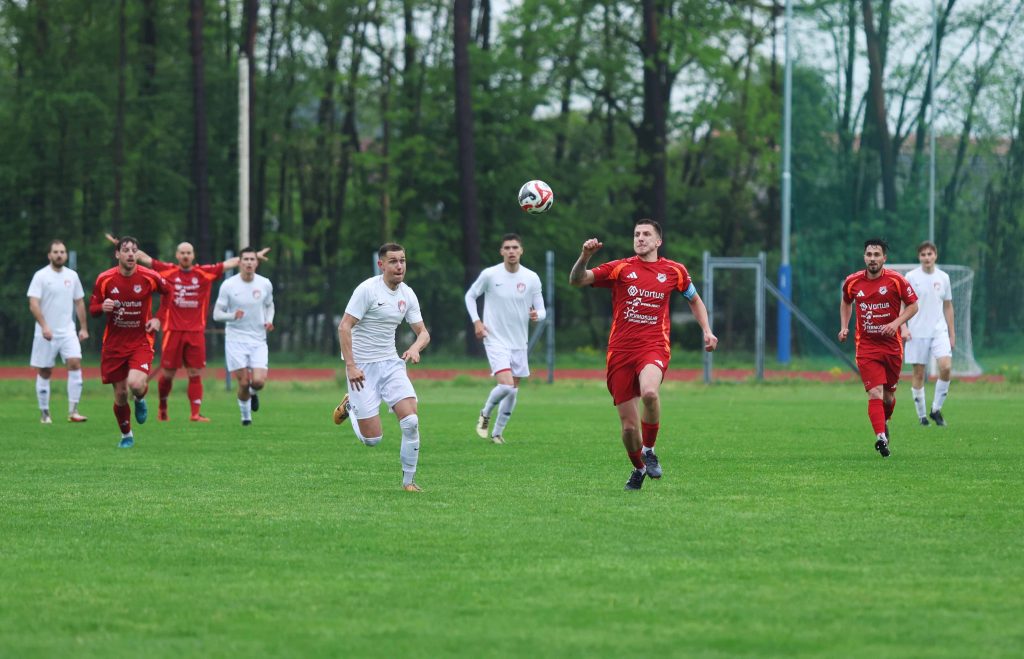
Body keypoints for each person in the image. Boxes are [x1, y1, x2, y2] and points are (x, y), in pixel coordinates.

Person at [569, 220, 718, 491]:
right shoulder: (620, 268)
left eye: (646, 234)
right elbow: (577, 279)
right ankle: (638, 467)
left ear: (658, 241)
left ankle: (649, 450)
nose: (640, 238)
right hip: (620, 352)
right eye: (637, 234)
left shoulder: (674, 271)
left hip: (653, 347)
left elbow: (694, 299)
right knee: (628, 429)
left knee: (650, 393)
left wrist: (707, 330)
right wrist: (585, 256)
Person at [105, 233, 269, 422]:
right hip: (172, 331)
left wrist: (253, 256)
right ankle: (162, 409)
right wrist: (123, 247)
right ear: (177, 255)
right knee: (167, 374)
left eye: (188, 253)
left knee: (195, 373)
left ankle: (195, 414)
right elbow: (145, 259)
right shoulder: (168, 271)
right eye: (182, 253)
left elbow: (228, 264)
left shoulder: (203, 273)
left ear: (193, 255)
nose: (185, 256)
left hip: (196, 332)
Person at [332, 243, 431, 493]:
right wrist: (351, 366)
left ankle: (409, 482)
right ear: (381, 265)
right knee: (372, 439)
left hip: (391, 364)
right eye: (393, 261)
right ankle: (350, 406)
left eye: (403, 261)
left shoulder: (407, 294)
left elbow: (423, 332)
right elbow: (344, 327)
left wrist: (416, 348)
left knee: (411, 421)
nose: (399, 266)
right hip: (362, 367)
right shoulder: (367, 290)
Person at [839, 238, 919, 458]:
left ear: (884, 258)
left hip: (892, 347)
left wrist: (896, 323)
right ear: (864, 257)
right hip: (866, 346)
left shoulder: (896, 280)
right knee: (874, 392)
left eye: (876, 255)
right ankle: (881, 438)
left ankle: (884, 421)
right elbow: (846, 301)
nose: (872, 258)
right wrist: (844, 327)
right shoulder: (852, 281)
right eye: (869, 254)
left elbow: (913, 305)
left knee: (888, 397)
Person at [89, 236, 170, 448]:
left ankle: (140, 398)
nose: (131, 254)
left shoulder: (149, 276)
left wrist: (158, 319)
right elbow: (93, 309)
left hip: (140, 341)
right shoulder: (105, 279)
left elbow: (168, 292)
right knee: (121, 393)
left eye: (134, 250)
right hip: (114, 345)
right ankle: (127, 435)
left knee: (134, 384)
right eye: (126, 250)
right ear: (117, 254)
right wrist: (102, 307)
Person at [464, 233, 546, 444]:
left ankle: (497, 433)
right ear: (501, 251)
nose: (511, 251)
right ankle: (485, 413)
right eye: (507, 247)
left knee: (512, 391)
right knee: (507, 385)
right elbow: (470, 296)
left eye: (515, 247)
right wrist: (477, 322)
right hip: (495, 339)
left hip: (519, 342)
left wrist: (537, 315)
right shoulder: (490, 275)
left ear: (521, 251)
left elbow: (542, 310)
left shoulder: (531, 278)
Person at [27, 240, 90, 423]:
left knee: (75, 363)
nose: (59, 255)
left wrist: (83, 328)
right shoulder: (40, 276)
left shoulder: (72, 276)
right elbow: (33, 304)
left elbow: (79, 301)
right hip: (45, 333)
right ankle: (45, 413)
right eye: (55, 252)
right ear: (49, 255)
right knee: (45, 371)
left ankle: (73, 411)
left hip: (68, 331)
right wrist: (44, 326)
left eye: (62, 252)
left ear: (66, 255)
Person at [212, 247, 275, 426]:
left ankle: (253, 394)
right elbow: (217, 314)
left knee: (258, 382)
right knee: (244, 382)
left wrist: (269, 320)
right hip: (236, 339)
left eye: (252, 259)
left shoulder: (265, 283)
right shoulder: (229, 285)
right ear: (239, 262)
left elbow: (270, 305)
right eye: (245, 259)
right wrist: (233, 315)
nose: (249, 262)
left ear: (257, 263)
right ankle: (246, 418)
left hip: (258, 339)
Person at [902, 241, 954, 427]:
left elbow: (948, 306)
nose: (926, 257)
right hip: (916, 332)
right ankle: (922, 417)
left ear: (935, 255)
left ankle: (936, 409)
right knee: (918, 374)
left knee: (946, 367)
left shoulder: (944, 277)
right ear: (919, 257)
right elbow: (902, 303)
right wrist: (903, 327)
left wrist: (952, 334)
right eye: (923, 254)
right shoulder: (911, 277)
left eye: (929, 254)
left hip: (939, 331)